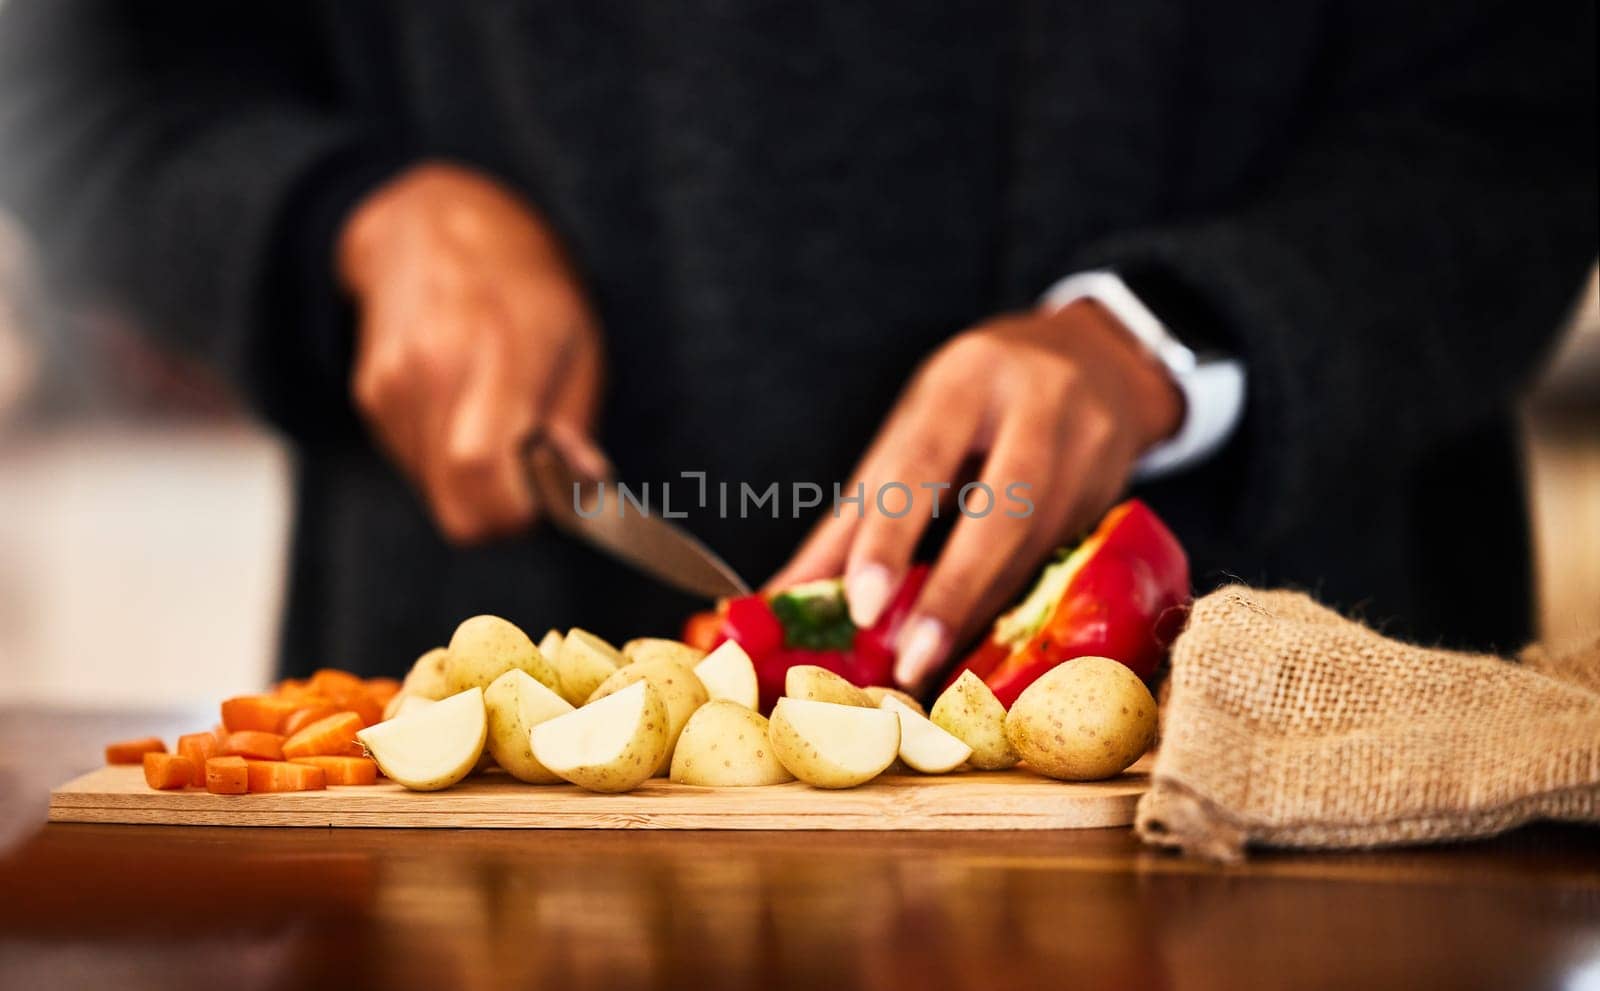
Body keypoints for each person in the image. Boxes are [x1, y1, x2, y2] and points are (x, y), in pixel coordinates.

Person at [0, 2, 1593, 690]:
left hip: (1287, 865)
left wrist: (1172, 346)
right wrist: (346, 218)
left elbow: (1533, 106)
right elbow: (77, 77)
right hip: (481, 875)